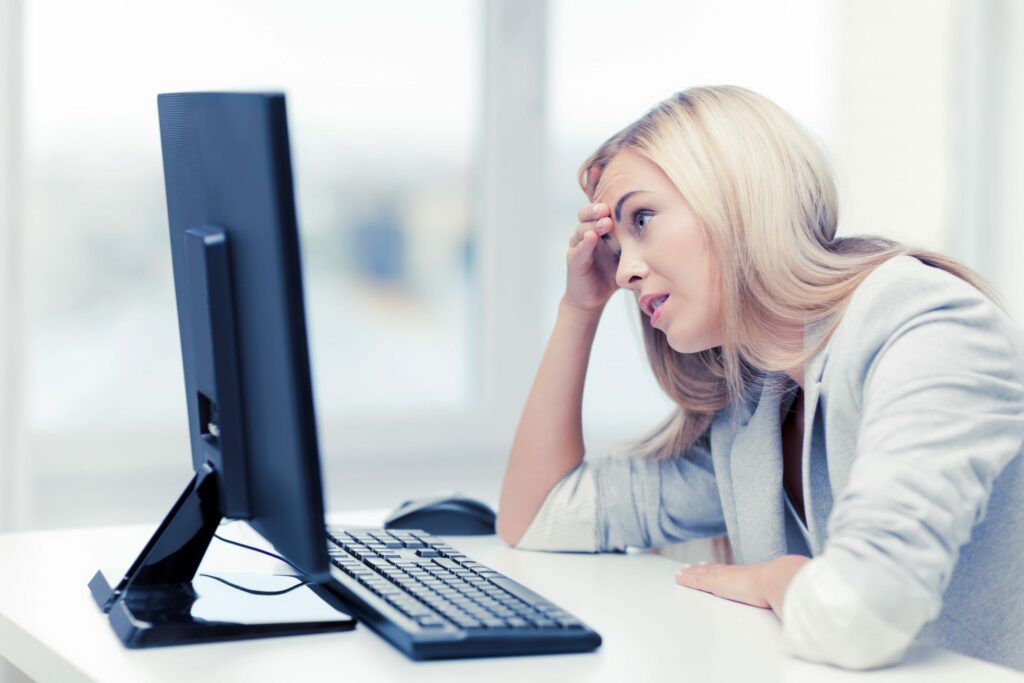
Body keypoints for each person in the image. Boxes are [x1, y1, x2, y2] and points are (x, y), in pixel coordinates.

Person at [495, 85, 1024, 671]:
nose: (623, 273)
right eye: (616, 247)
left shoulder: (925, 327)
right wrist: (578, 309)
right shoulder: (755, 409)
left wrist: (778, 577)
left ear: (737, 198)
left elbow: (858, 618)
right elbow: (538, 516)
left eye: (642, 218)